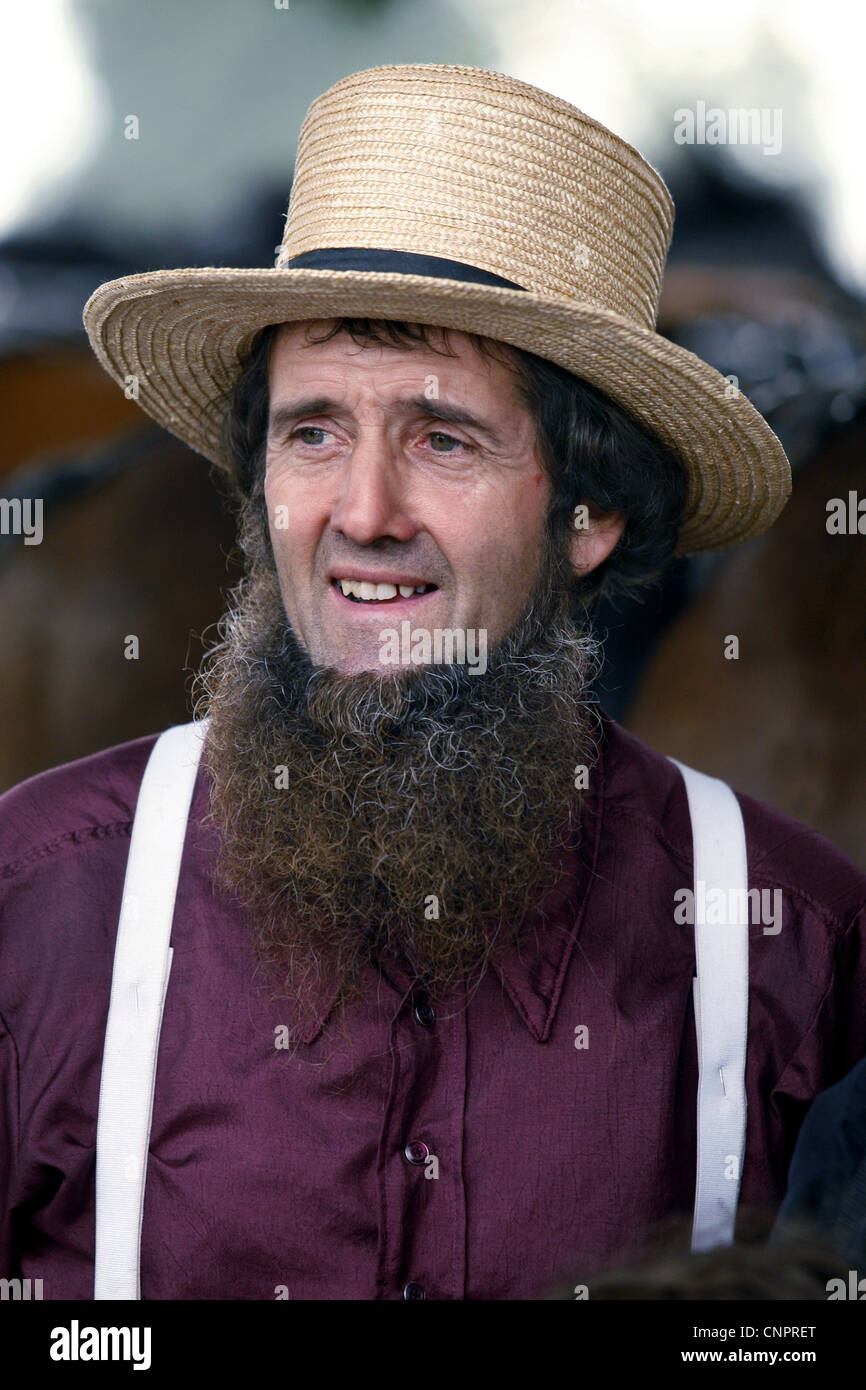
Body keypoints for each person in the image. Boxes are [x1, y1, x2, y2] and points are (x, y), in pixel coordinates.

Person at [1, 63, 864, 1302]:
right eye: (312, 434)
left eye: (441, 438)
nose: (360, 513)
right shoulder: (36, 906)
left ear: (591, 510)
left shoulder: (798, 954)